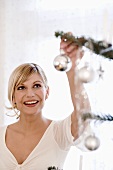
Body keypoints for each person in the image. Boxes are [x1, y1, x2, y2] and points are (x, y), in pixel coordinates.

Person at [0, 34, 91, 170]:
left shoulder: (59, 132)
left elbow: (83, 115)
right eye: (21, 88)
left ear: (47, 92)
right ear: (12, 97)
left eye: (36, 86)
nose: (30, 94)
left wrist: (72, 70)